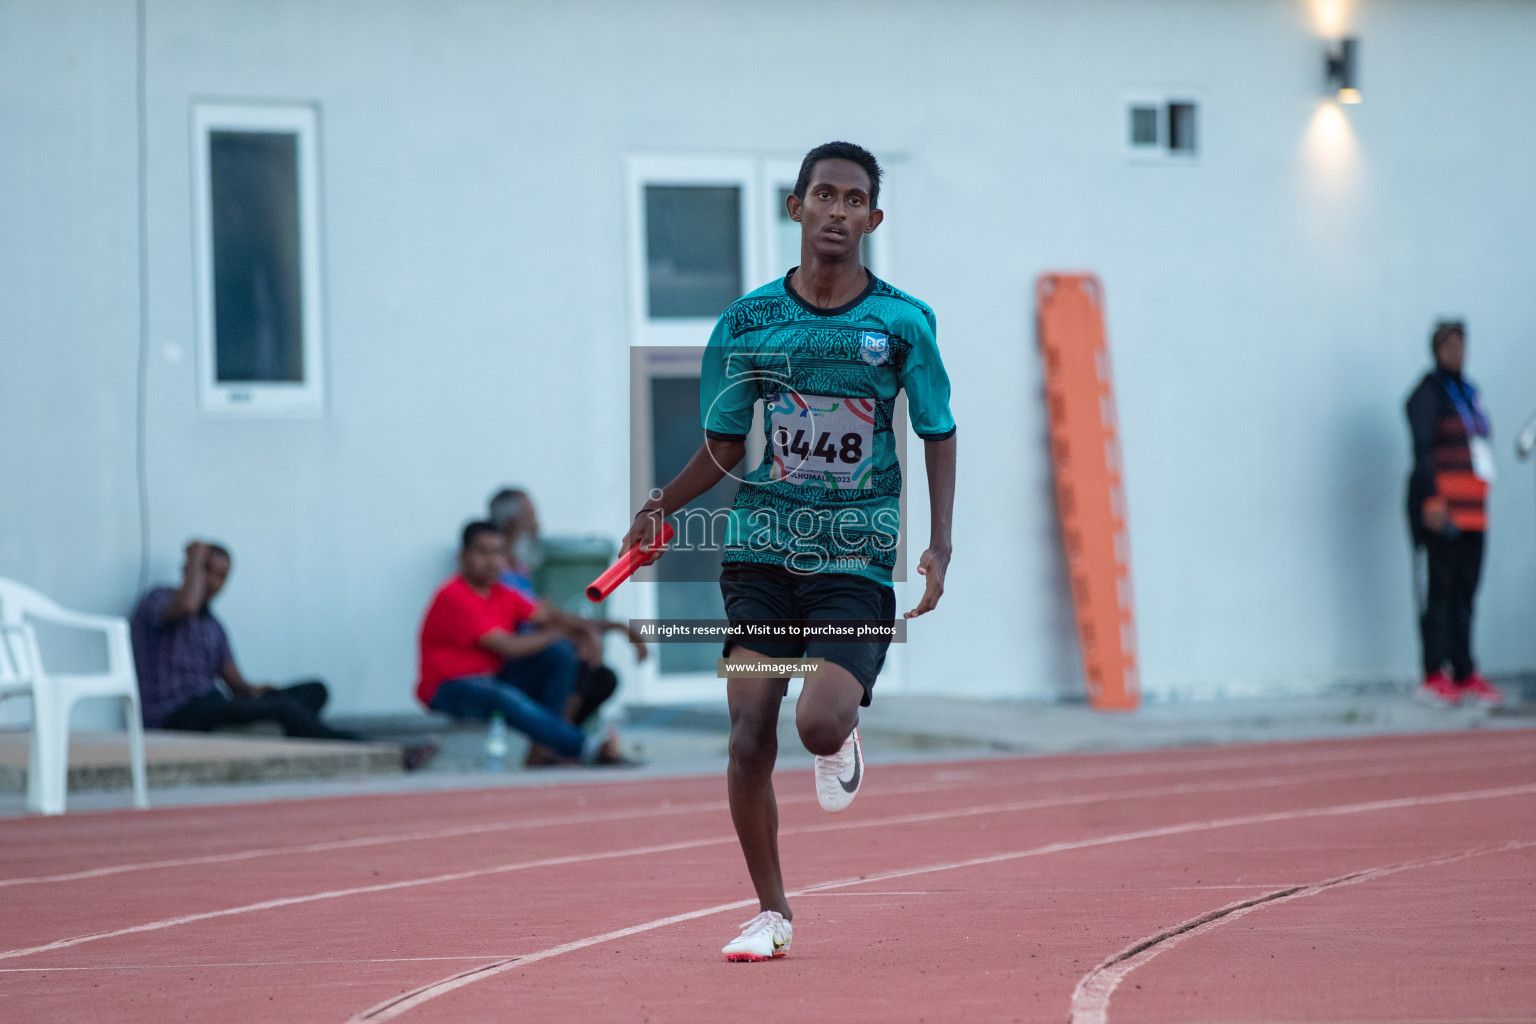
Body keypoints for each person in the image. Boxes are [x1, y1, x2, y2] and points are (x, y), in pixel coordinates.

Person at [616, 142, 956, 961]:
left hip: (855, 557)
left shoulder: (904, 323)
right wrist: (665, 503)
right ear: (794, 207)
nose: (837, 211)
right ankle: (772, 912)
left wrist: (940, 543)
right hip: (760, 555)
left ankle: (841, 735)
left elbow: (939, 430)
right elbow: (727, 444)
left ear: (873, 219)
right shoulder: (747, 324)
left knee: (818, 720)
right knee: (745, 736)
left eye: (853, 200)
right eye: (823, 196)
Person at [132, 540, 438, 771]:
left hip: (214, 704)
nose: (212, 582)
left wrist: (259, 692)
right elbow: (186, 606)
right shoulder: (158, 600)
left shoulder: (214, 627)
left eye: (221, 576)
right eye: (206, 571)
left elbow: (237, 684)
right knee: (287, 711)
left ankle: (270, 726)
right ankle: (387, 752)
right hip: (176, 715)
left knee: (313, 691)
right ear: (190, 569)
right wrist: (196, 558)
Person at [417, 521, 630, 765]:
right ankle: (584, 747)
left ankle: (543, 749)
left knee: (560, 656)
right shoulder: (454, 595)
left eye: (498, 553)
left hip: (493, 677)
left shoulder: (502, 593)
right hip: (449, 687)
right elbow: (507, 646)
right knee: (505, 696)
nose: (492, 560)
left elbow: (553, 617)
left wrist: (612, 628)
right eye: (482, 552)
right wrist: (562, 633)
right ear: (463, 556)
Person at [486, 487, 647, 737]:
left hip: (536, 653)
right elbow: (539, 621)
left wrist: (614, 627)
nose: (538, 525)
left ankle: (557, 744)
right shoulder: (494, 574)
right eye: (531, 516)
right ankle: (553, 744)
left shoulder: (520, 567)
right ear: (511, 523)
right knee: (566, 656)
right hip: (509, 663)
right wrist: (583, 632)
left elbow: (547, 615)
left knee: (602, 677)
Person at [1405, 320, 1501, 707]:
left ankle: (1464, 669)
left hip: (1474, 510)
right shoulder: (1427, 394)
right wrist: (1431, 500)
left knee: (1466, 591)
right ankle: (1433, 672)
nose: (1456, 354)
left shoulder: (1470, 391)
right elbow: (1423, 450)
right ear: (1436, 350)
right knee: (1441, 591)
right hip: (1443, 510)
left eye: (1460, 346)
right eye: (1449, 346)